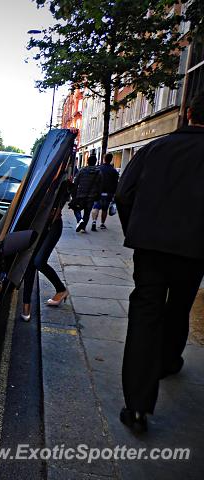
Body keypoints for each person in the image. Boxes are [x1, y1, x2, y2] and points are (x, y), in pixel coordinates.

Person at [114, 91, 204, 434]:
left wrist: (136, 231)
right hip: (195, 250)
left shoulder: (155, 149)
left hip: (151, 249)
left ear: (188, 112)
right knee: (180, 305)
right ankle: (168, 361)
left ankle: (137, 407)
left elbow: (124, 193)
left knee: (145, 315)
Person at [21, 184, 70, 321]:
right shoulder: (37, 177)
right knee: (30, 264)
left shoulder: (59, 179)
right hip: (35, 225)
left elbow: (66, 194)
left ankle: (61, 289)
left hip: (52, 226)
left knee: (39, 261)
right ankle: (26, 305)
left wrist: (57, 207)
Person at [70, 154, 102, 232]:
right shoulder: (99, 172)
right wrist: (98, 195)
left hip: (80, 194)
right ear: (95, 162)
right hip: (91, 196)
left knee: (76, 209)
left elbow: (75, 183)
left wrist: (73, 195)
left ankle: (80, 220)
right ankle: (83, 228)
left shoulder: (82, 171)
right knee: (87, 212)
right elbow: (100, 185)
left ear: (87, 162)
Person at [90, 153, 119, 231]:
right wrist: (114, 193)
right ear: (111, 159)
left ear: (104, 159)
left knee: (96, 206)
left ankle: (94, 221)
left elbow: (94, 180)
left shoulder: (98, 168)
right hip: (108, 193)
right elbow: (116, 183)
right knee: (105, 209)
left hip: (98, 192)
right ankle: (102, 224)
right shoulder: (114, 171)